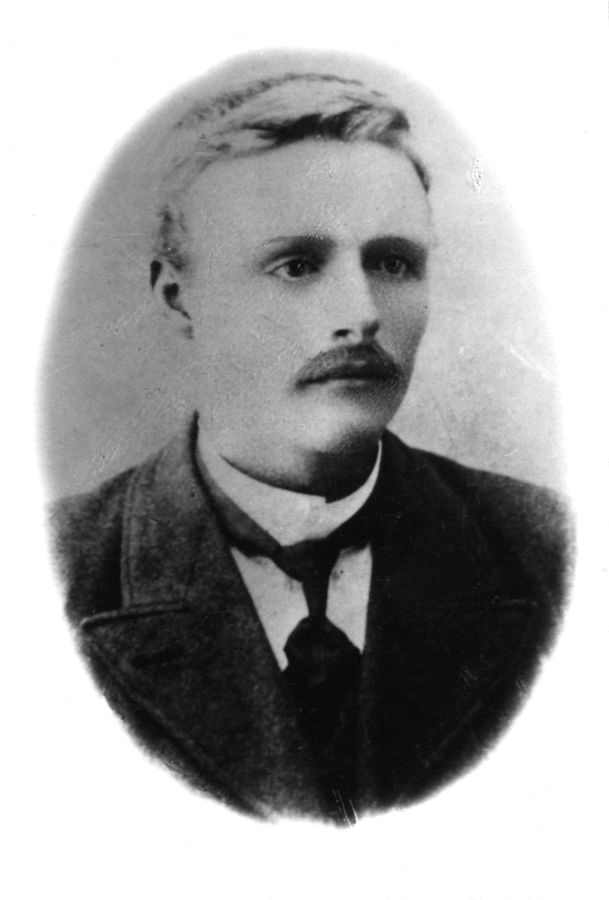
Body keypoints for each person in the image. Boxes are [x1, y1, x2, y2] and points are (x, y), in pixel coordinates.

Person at [51, 67, 571, 825]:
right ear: (179, 296)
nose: (361, 313)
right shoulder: (51, 576)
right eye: (296, 265)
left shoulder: (549, 552)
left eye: (392, 262)